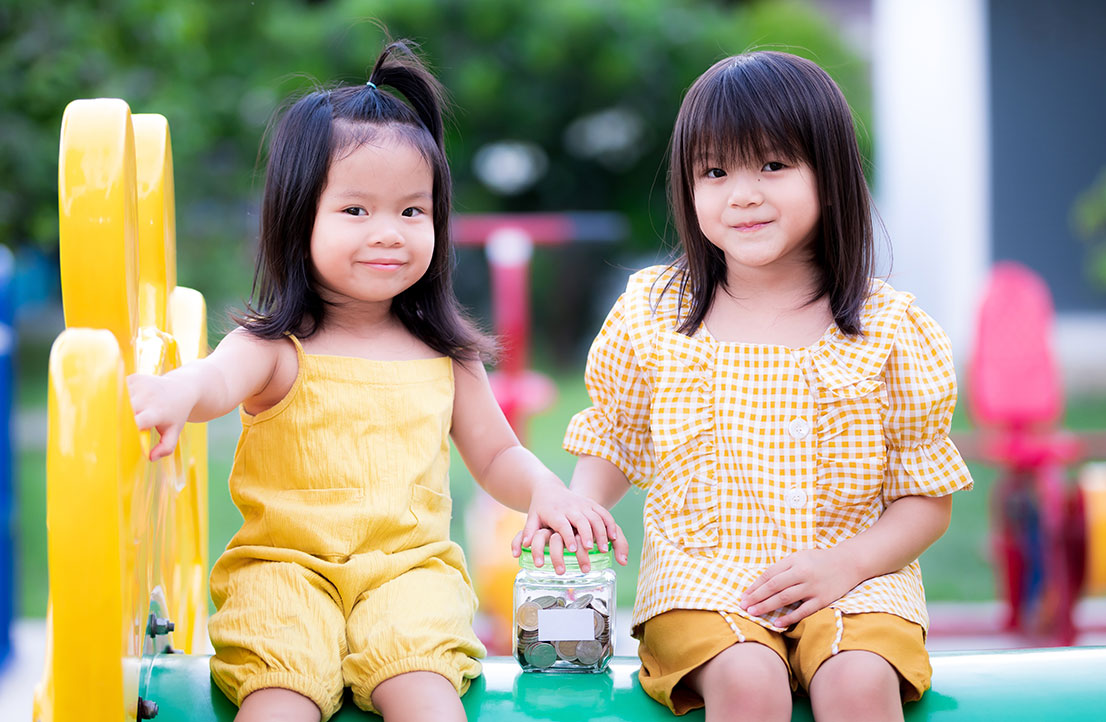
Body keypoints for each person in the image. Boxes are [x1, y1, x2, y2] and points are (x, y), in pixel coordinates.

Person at [128, 40, 627, 722]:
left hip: (410, 574)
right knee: (281, 697)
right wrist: (179, 393)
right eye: (356, 211)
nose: (388, 233)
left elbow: (495, 452)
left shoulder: (444, 353)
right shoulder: (275, 346)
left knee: (426, 694)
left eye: (411, 211)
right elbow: (217, 379)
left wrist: (544, 488)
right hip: (286, 570)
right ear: (298, 219)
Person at [549, 51, 973, 722]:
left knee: (859, 683)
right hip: (705, 584)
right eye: (715, 171)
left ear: (829, 178)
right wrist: (577, 510)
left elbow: (925, 497)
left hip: (857, 582)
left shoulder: (890, 327)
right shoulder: (653, 312)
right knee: (750, 681)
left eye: (772, 166)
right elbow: (614, 432)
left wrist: (848, 566)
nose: (741, 193)